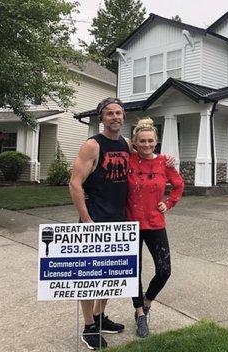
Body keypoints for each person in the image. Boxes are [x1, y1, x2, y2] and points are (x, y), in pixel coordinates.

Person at [69, 97, 129, 350]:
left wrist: (166, 160)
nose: (115, 117)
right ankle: (88, 326)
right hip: (94, 220)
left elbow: (148, 153)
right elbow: (74, 183)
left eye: (119, 113)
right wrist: (86, 219)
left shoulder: (125, 144)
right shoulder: (92, 145)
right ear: (101, 118)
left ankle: (100, 316)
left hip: (117, 221)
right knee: (88, 276)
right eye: (110, 113)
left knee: (108, 276)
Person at [126, 117, 184, 338]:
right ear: (135, 142)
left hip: (155, 223)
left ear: (156, 141)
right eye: (142, 141)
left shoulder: (163, 163)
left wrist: (168, 203)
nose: (146, 144)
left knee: (164, 270)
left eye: (150, 140)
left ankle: (147, 301)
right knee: (134, 272)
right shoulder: (128, 160)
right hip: (130, 224)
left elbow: (179, 185)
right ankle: (139, 314)